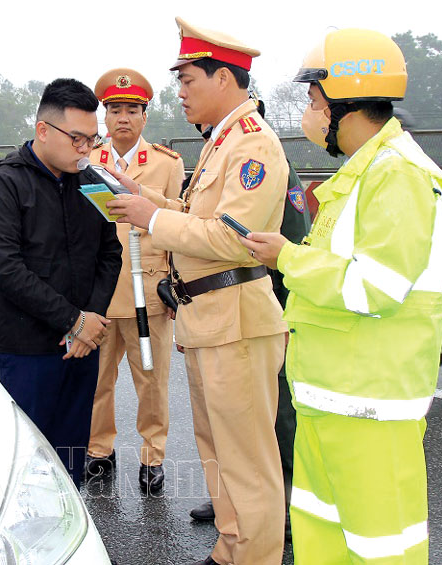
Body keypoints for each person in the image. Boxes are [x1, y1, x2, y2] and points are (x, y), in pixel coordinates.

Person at [238, 29, 442, 564]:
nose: (310, 111)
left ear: (346, 102)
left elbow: (379, 284)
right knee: (325, 535)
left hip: (370, 403)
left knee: (381, 545)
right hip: (329, 396)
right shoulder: (363, 173)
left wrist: (288, 258)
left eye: (315, 99)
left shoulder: (399, 176)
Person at [106, 17, 289, 565]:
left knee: (248, 460)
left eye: (188, 81)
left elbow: (235, 239)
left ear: (224, 81)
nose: (180, 93)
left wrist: (151, 220)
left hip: (236, 316)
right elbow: (197, 215)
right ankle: (231, 546)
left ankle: (255, 555)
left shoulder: (254, 146)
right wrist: (150, 201)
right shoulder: (220, 143)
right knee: (216, 452)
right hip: (207, 315)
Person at [0, 78, 122, 488]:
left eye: (91, 140)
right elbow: (6, 269)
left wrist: (91, 320)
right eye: (76, 138)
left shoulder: (93, 183)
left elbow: (111, 254)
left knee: (71, 462)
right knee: (29, 464)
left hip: (83, 347)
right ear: (43, 130)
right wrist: (72, 320)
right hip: (29, 350)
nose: (84, 149)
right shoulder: (3, 186)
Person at [189, 97, 311, 541]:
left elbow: (291, 238)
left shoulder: (259, 154)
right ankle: (240, 510)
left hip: (266, 300)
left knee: (275, 418)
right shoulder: (215, 153)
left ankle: (286, 503)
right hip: (225, 303)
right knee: (232, 430)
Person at [83, 68, 185, 494]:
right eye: (114, 110)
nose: (123, 118)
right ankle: (99, 449)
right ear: (104, 117)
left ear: (145, 115)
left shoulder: (166, 163)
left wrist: (178, 289)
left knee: (152, 382)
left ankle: (152, 456)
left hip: (149, 293)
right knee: (96, 381)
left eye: (132, 110)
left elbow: (182, 220)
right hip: (101, 294)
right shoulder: (87, 163)